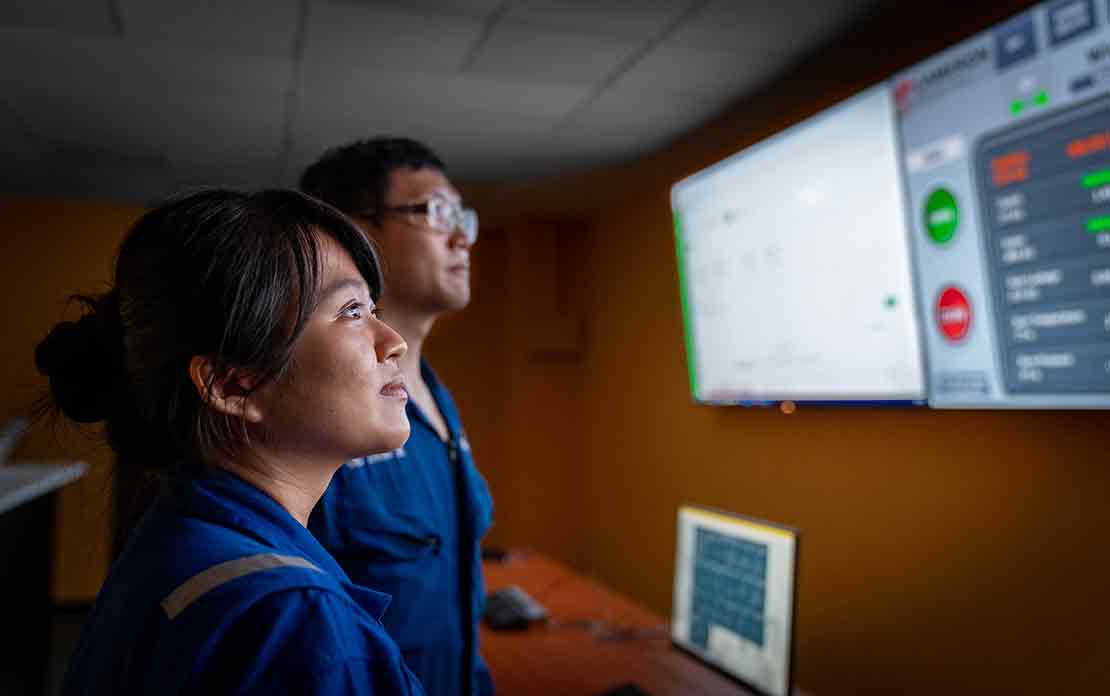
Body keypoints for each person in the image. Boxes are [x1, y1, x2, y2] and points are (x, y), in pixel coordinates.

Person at [36, 189, 426, 695]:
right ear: (231, 384)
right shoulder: (297, 622)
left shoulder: (175, 536)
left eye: (373, 308)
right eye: (351, 311)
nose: (391, 339)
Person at [301, 139, 494, 696]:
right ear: (353, 231)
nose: (462, 237)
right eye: (436, 213)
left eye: (463, 217)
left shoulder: (436, 398)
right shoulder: (313, 412)